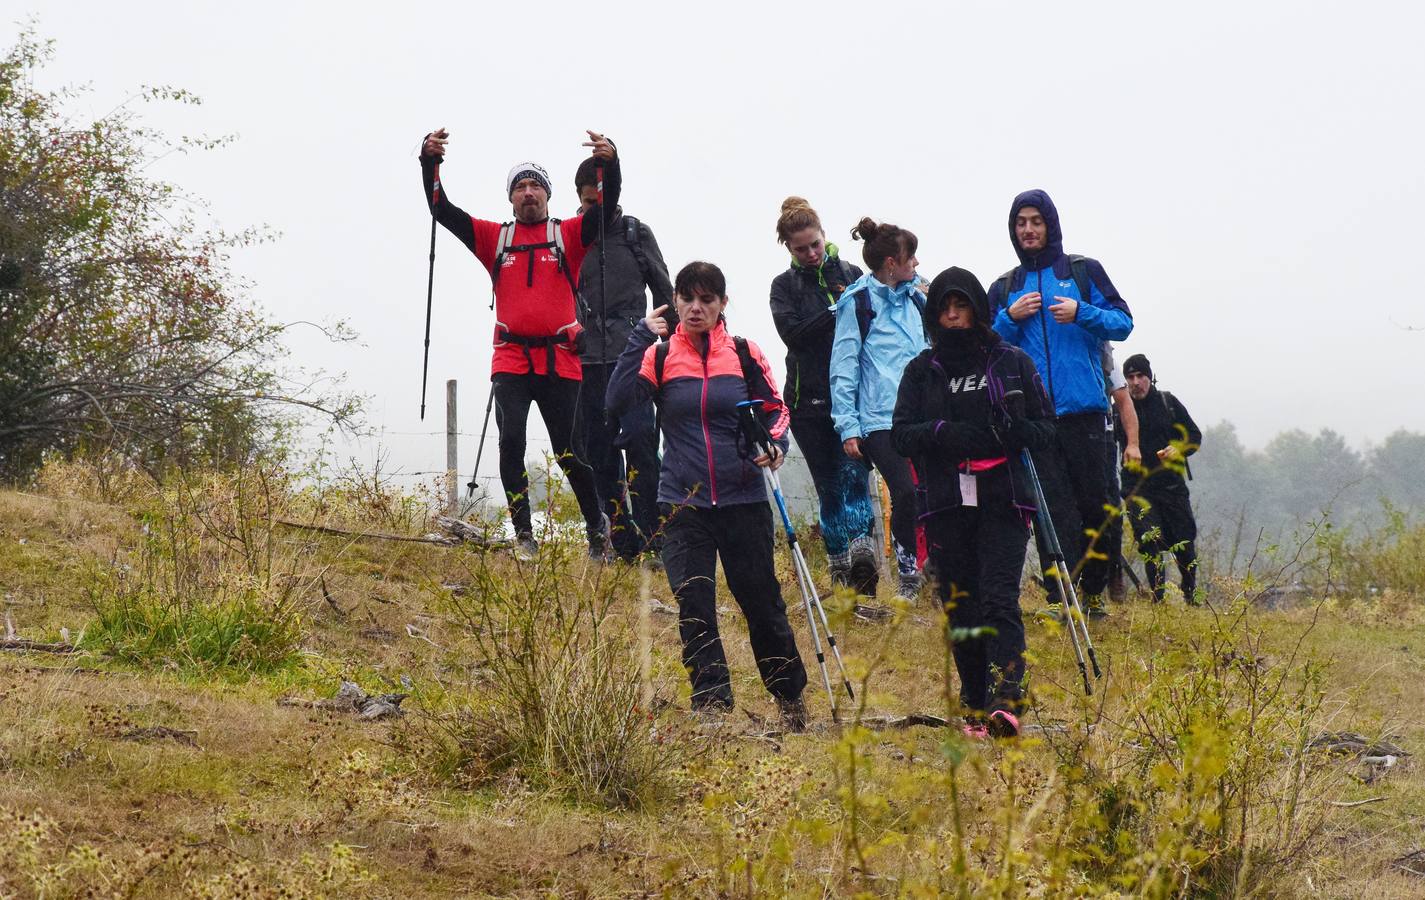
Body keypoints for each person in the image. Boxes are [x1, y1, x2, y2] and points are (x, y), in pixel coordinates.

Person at [607, 261, 809, 729]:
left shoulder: (742, 353)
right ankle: (712, 704)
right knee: (694, 602)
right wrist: (640, 336)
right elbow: (616, 401)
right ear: (675, 301)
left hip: (744, 500)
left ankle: (790, 698)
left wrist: (775, 444)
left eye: (707, 300)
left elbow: (777, 410)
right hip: (682, 502)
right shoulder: (658, 357)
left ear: (722, 305)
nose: (696, 308)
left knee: (760, 602)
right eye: (687, 298)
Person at [419, 128, 617, 560]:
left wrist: (610, 162)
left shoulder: (568, 235)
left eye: (536, 186)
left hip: (560, 360)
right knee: (511, 443)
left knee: (570, 453)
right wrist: (429, 162)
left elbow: (607, 210)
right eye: (520, 187)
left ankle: (597, 532)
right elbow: (442, 210)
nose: (528, 193)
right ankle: (523, 535)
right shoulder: (496, 238)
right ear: (511, 197)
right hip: (510, 357)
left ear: (547, 194)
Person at [891, 267, 1055, 738]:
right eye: (944, 307)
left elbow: (1046, 430)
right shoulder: (921, 371)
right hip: (944, 502)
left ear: (978, 309)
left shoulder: (1011, 361)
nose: (952, 315)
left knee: (999, 599)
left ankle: (1007, 702)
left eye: (961, 305)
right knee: (960, 604)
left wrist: (1012, 430)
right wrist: (944, 434)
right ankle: (974, 705)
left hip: (1005, 499)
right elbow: (901, 434)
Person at [988, 190, 1133, 616]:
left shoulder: (1083, 272)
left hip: (1087, 413)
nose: (1028, 229)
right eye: (1021, 223)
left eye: (1036, 221)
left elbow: (1123, 322)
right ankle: (1061, 599)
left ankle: (1092, 593)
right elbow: (988, 348)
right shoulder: (1005, 287)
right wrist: (1008, 318)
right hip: (1036, 420)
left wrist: (1083, 311)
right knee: (1051, 513)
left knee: (1100, 509)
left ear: (1050, 224)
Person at [769, 198, 878, 595]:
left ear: (823, 235)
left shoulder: (851, 273)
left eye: (815, 244)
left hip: (855, 398)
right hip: (807, 400)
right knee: (829, 486)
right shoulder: (783, 287)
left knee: (856, 478)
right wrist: (837, 311)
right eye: (801, 249)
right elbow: (793, 335)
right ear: (789, 248)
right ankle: (838, 567)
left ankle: (864, 558)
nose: (811, 253)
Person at [571, 157, 676, 563]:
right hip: (584, 362)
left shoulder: (635, 233)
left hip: (634, 359)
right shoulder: (571, 236)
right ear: (578, 199)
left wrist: (666, 345)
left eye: (599, 199)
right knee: (598, 453)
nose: (595, 208)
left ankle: (654, 535)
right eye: (587, 201)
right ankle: (619, 540)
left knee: (641, 444)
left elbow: (665, 293)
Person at [830, 217, 927, 601]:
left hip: (922, 417)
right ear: (891, 262)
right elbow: (844, 365)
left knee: (929, 494)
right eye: (910, 257)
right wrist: (848, 425)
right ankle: (907, 576)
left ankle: (932, 573)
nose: (916, 263)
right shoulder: (857, 302)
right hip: (878, 419)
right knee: (905, 493)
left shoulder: (918, 299)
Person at [1119, 353, 1203, 604]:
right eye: (1130, 377)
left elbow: (1194, 436)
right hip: (1137, 489)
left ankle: (1191, 597)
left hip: (1171, 486)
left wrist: (1178, 448)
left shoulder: (1168, 402)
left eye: (1140, 376)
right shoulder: (1119, 409)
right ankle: (1158, 600)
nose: (1136, 382)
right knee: (1149, 543)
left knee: (1185, 543)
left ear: (1150, 378)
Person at [1101, 343, 1142, 603]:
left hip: (1100, 439)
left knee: (1110, 511)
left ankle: (1114, 574)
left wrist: (1132, 443)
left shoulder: (1105, 360)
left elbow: (1124, 401)